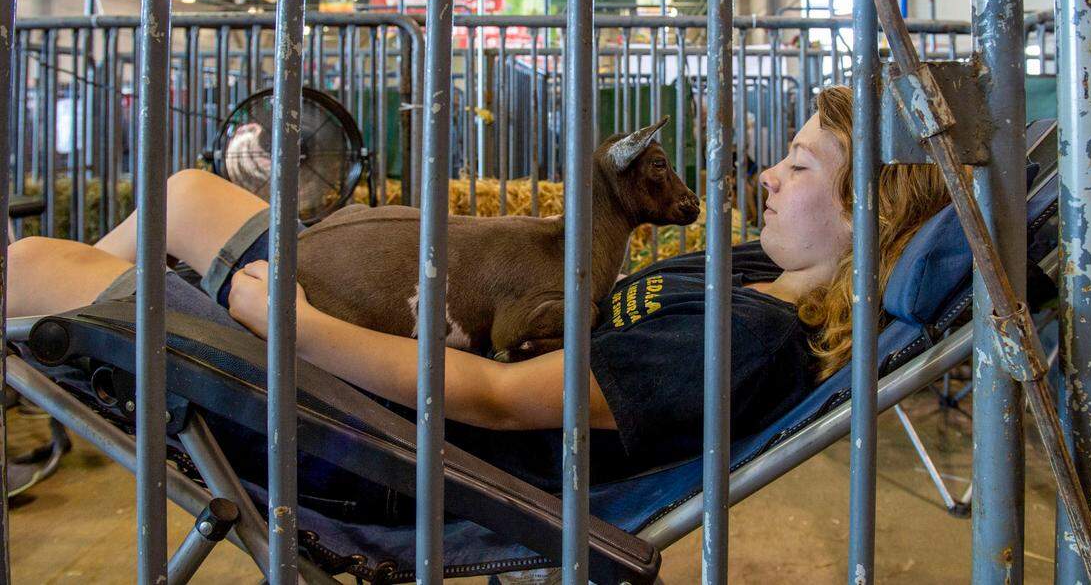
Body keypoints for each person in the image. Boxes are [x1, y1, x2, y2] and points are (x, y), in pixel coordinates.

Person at [8, 85, 950, 492]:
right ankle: (72, 334)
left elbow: (498, 401)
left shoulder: (744, 340)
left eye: (799, 164)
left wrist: (293, 326)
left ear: (866, 214)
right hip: (396, 361)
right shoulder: (754, 271)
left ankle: (68, 332)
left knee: (41, 275)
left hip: (393, 431)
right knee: (179, 196)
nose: (767, 178)